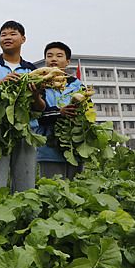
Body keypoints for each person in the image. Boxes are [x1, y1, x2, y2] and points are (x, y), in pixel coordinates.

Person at [0, 20, 45, 193]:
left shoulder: (31, 70)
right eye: (3, 35)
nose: (7, 38)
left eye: (12, 34)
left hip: (25, 132)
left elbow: (41, 107)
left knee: (26, 188)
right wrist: (0, 83)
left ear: (23, 39)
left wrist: (35, 95)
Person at [36, 42, 84, 179]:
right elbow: (37, 114)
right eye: (49, 56)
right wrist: (59, 113)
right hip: (49, 149)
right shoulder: (39, 84)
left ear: (67, 61)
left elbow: (87, 110)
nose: (53, 59)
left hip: (75, 147)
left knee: (77, 188)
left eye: (59, 56)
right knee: (52, 188)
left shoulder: (77, 84)